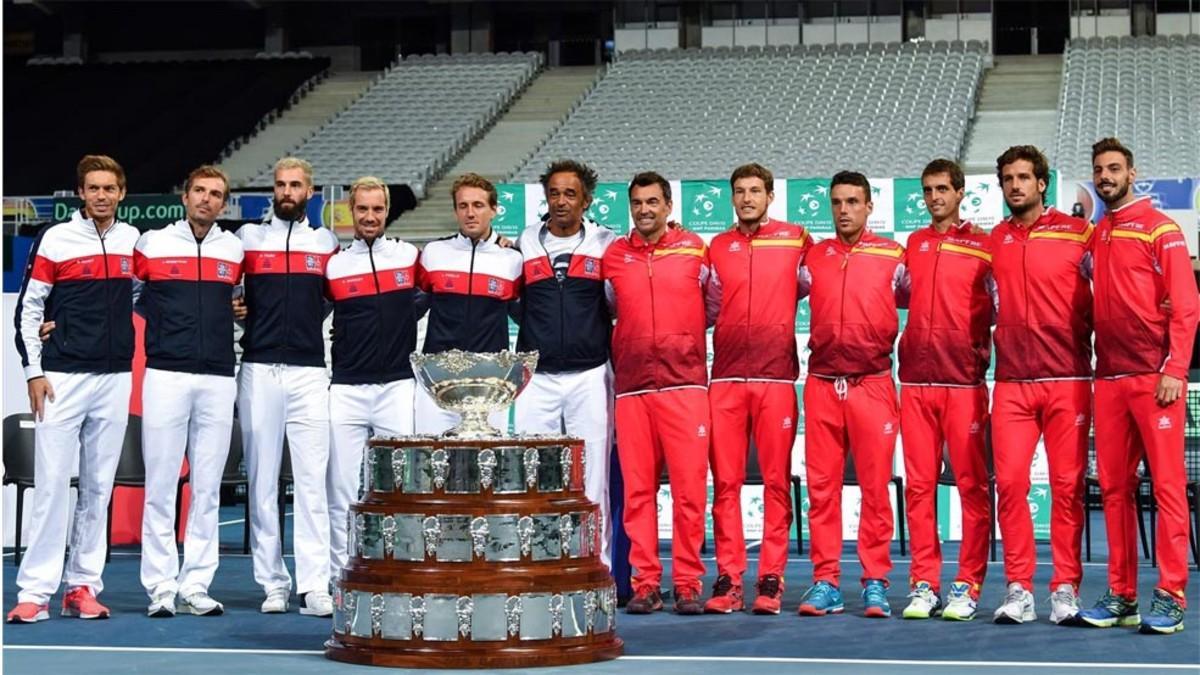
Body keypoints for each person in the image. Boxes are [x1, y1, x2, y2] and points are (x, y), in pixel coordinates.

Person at [8, 155, 139, 623]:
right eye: (93, 188)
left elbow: (139, 293)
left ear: (122, 193)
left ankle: (82, 586)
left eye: (109, 188)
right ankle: (35, 592)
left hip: (114, 377)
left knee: (98, 489)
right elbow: (27, 309)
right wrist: (34, 372)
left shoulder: (132, 240)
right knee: (50, 487)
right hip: (62, 378)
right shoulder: (55, 239)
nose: (101, 195)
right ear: (81, 194)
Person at [1077, 137, 1198, 634]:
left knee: (1168, 488)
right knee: (1115, 491)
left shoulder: (1161, 229)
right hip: (1107, 380)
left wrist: (1174, 370)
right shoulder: (1099, 232)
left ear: (1132, 172)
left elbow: (1187, 305)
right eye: (1099, 170)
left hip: (1155, 382)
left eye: (1114, 169)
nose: (1105, 177)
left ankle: (1170, 594)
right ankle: (1122, 595)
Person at [133, 166, 244, 617]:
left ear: (223, 202)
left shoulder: (234, 249)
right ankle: (160, 586)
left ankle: (196, 584)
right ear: (185, 196)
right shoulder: (151, 243)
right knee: (160, 486)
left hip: (219, 376)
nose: (207, 199)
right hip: (165, 374)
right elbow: (134, 295)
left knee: (207, 489)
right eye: (200, 191)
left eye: (216, 194)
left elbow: (239, 303)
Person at [989, 145, 1093, 626]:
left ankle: (1065, 589)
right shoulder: (993, 241)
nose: (1015, 185)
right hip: (1011, 382)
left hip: (1068, 379)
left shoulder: (1079, 234)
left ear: (1042, 183)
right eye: (1008, 178)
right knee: (1009, 486)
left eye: (1024, 177)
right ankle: (1018, 589)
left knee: (1067, 488)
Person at [796, 171, 905, 619]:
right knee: (822, 491)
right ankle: (826, 582)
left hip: (873, 384)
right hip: (822, 384)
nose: (844, 210)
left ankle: (875, 581)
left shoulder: (894, 256)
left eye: (853, 202)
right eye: (837, 202)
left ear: (869, 206)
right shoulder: (812, 258)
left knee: (875, 490)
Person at [704, 163, 811, 615]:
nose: (747, 198)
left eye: (755, 191)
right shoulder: (717, 246)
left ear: (770, 196)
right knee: (725, 484)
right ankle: (729, 578)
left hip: (776, 378)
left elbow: (819, 282)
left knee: (774, 484)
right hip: (725, 379)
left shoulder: (797, 240)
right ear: (732, 198)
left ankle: (771, 578)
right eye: (739, 192)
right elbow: (707, 307)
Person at [604, 171, 713, 616]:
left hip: (685, 385)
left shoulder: (696, 250)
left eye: (653, 202)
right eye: (637, 203)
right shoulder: (614, 256)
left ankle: (687, 582)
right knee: (638, 493)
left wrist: (681, 339)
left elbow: (715, 305)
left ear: (668, 205)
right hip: (632, 389)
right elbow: (611, 306)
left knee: (689, 492)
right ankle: (645, 582)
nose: (645, 210)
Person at [236, 157, 339, 616]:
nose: (287, 191)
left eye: (295, 185)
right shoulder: (246, 239)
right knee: (261, 483)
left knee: (312, 483)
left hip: (310, 372)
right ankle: (272, 583)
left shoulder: (327, 243)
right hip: (257, 369)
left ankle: (314, 583)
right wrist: (235, 307)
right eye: (280, 184)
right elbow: (223, 293)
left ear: (311, 193)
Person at [896, 159, 995, 621]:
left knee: (972, 487)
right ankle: (924, 584)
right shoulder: (913, 244)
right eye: (928, 190)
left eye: (942, 189)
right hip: (915, 382)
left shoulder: (985, 247)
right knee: (918, 488)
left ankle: (967, 585)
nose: (935, 197)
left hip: (963, 384)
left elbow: (1005, 304)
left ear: (960, 193)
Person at [513, 160, 617, 567]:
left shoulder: (607, 243)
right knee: (531, 474)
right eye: (554, 193)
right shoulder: (524, 242)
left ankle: (596, 565)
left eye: (570, 194)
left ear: (586, 200)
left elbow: (615, 302)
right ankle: (534, 563)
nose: (561, 201)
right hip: (535, 377)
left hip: (589, 373)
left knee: (592, 478)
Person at [325, 176, 422, 576]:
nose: (369, 217)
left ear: (387, 212)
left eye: (377, 209)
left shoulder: (411, 258)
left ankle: (396, 567)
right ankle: (340, 572)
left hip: (397, 386)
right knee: (342, 490)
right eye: (362, 209)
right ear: (351, 210)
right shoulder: (333, 265)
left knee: (399, 486)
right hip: (346, 387)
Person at [414, 172, 522, 434]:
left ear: (494, 210)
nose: (470, 213)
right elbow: (409, 310)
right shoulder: (433, 253)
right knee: (432, 466)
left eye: (478, 205)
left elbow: (529, 317)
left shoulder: (512, 259)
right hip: (437, 381)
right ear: (455, 211)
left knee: (486, 470)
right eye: (463, 206)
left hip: (490, 385)